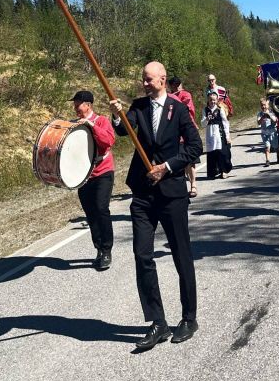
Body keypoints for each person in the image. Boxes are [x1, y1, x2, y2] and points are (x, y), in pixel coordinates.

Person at [110, 62, 203, 350]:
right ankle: (158, 322)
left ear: (163, 80)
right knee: (142, 255)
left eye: (149, 80)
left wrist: (167, 166)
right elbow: (126, 132)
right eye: (143, 80)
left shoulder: (178, 109)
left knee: (181, 254)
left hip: (172, 192)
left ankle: (189, 317)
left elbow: (194, 147)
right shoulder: (138, 106)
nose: (145, 84)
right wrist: (117, 117)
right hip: (142, 193)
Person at [71, 90, 116, 271]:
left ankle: (107, 250)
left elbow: (108, 141)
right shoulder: (75, 124)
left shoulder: (101, 121)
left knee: (101, 208)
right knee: (90, 213)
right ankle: (99, 248)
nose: (75, 109)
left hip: (103, 171)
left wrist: (90, 125)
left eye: (78, 105)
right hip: (84, 175)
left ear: (88, 105)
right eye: (74, 105)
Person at [167, 76, 199, 198]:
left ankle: (193, 185)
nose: (175, 87)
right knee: (180, 161)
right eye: (173, 86)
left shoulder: (185, 95)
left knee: (190, 160)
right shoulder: (168, 96)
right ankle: (182, 186)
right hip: (175, 133)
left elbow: (187, 109)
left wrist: (174, 100)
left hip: (187, 131)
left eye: (176, 85)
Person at [202, 92, 232, 179]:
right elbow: (203, 124)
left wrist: (227, 136)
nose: (212, 101)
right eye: (211, 100)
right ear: (208, 100)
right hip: (210, 133)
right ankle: (213, 172)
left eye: (214, 100)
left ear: (217, 100)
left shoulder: (220, 109)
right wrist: (207, 119)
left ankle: (224, 171)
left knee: (222, 152)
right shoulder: (205, 110)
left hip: (219, 133)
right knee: (212, 153)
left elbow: (225, 123)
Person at [257, 97, 279, 166]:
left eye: (265, 105)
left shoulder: (272, 112)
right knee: (267, 147)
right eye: (262, 105)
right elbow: (258, 122)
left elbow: (275, 120)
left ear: (268, 105)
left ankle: (278, 154)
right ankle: (267, 160)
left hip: (272, 133)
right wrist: (262, 117)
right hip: (264, 133)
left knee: (275, 146)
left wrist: (269, 115)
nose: (263, 106)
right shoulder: (260, 114)